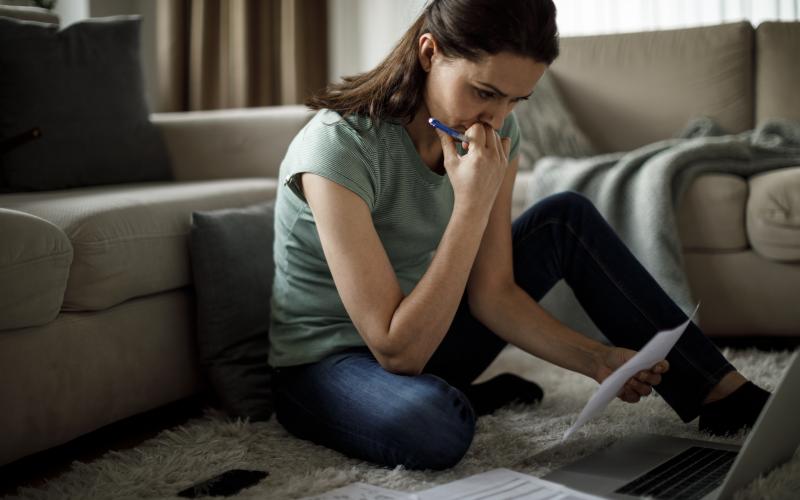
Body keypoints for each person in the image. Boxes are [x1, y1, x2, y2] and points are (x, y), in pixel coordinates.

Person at [268, 0, 771, 470]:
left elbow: (493, 294)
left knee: (561, 218)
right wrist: (471, 203)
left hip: (431, 333)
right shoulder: (339, 146)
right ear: (429, 52)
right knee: (431, 426)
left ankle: (722, 392)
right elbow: (397, 351)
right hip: (328, 363)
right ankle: (457, 393)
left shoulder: (500, 133)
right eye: (485, 92)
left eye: (516, 100)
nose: (497, 119)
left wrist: (598, 360)